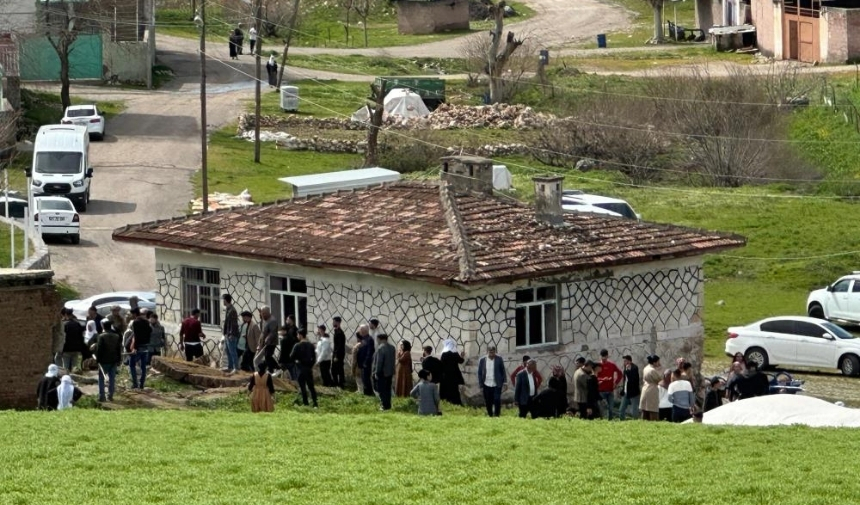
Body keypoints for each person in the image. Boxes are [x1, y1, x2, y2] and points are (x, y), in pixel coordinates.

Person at [93, 319, 122, 402]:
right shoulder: (116, 336)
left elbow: (99, 349)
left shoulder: (101, 336)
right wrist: (119, 359)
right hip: (113, 360)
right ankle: (110, 395)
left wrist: (97, 360)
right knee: (112, 378)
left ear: (103, 327)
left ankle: (102, 396)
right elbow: (118, 349)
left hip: (103, 361)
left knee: (101, 378)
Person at [289, 328, 318, 408]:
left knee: (302, 386)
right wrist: (310, 366)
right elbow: (314, 358)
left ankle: (305, 403)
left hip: (300, 368)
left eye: (298, 335)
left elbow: (291, 357)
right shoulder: (311, 345)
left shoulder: (297, 345)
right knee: (311, 386)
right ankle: (315, 403)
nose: (297, 336)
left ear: (300, 335)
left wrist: (297, 362)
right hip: (308, 368)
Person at [477, 345, 507, 417]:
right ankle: (490, 414)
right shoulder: (482, 360)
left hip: (496, 384)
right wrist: (481, 385)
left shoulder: (499, 359)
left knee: (497, 400)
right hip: (486, 384)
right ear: (487, 352)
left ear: (495, 352)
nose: (491, 354)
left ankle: (497, 415)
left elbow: (503, 371)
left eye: (493, 352)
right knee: (488, 401)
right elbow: (479, 373)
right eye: (490, 352)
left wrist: (505, 382)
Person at [128, 308, 152, 390]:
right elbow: (150, 330)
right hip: (146, 346)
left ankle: (135, 383)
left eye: (131, 314)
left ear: (134, 314)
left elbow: (136, 335)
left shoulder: (136, 322)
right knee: (143, 366)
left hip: (138, 346)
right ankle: (141, 384)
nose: (131, 316)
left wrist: (134, 347)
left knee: (131, 365)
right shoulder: (146, 321)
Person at [596, 349, 622, 420]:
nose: (604, 358)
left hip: (610, 390)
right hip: (601, 391)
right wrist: (602, 379)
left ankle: (610, 421)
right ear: (600, 356)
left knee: (611, 408)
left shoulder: (612, 365)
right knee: (603, 408)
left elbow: (620, 374)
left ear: (607, 356)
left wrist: (616, 383)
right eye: (602, 356)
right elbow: (594, 377)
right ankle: (604, 421)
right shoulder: (598, 366)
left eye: (605, 356)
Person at [373, 334, 396, 411]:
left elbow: (379, 362)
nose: (377, 341)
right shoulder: (392, 348)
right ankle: (388, 405)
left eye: (377, 340)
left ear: (380, 339)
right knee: (388, 389)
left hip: (382, 372)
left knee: (381, 389)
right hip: (389, 372)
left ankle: (384, 405)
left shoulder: (381, 348)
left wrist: (376, 372)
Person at [439, 338, 465, 405]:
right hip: (454, 375)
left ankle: (445, 402)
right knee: (454, 389)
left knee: (445, 389)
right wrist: (462, 356)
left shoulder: (444, 354)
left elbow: (441, 364)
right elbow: (461, 361)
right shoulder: (455, 353)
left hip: (445, 375)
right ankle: (455, 403)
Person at [639, 355, 663, 421]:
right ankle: (654, 422)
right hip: (652, 389)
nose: (659, 363)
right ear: (654, 362)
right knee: (653, 409)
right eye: (658, 361)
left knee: (645, 409)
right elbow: (659, 379)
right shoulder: (652, 370)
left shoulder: (645, 368)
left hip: (645, 388)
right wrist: (660, 369)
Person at [618, 355, 641, 421]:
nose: (624, 362)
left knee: (634, 410)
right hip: (626, 392)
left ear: (629, 361)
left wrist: (628, 371)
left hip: (633, 393)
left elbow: (633, 380)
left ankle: (635, 422)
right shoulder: (625, 368)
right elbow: (625, 381)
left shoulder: (634, 368)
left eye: (625, 361)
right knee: (621, 409)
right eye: (624, 361)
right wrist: (623, 390)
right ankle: (622, 421)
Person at [222, 294, 240, 374]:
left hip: (231, 334)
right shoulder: (228, 309)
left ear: (226, 300)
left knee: (233, 351)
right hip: (227, 334)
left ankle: (236, 368)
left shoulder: (232, 310)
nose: (223, 301)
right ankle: (230, 367)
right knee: (228, 351)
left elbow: (234, 324)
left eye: (223, 300)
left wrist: (231, 334)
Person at [258, 306, 279, 375]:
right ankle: (271, 370)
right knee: (267, 357)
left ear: (268, 312)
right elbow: (263, 331)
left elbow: (273, 332)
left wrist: (268, 338)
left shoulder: (272, 321)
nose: (262, 315)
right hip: (265, 342)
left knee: (268, 356)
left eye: (264, 313)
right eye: (262, 313)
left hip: (271, 342)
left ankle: (277, 368)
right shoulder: (265, 319)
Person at [357, 325, 375, 396]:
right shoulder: (363, 339)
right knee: (364, 378)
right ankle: (366, 392)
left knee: (366, 378)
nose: (359, 331)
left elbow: (370, 352)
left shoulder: (369, 339)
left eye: (360, 329)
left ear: (364, 330)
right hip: (362, 362)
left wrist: (366, 362)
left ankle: (369, 393)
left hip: (366, 363)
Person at [331, 316, 346, 388]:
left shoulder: (340, 333)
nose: (333, 323)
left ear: (338, 322)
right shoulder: (336, 331)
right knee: (335, 369)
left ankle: (340, 384)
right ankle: (337, 383)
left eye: (334, 321)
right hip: (336, 353)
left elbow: (339, 345)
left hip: (339, 354)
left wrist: (336, 356)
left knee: (338, 369)